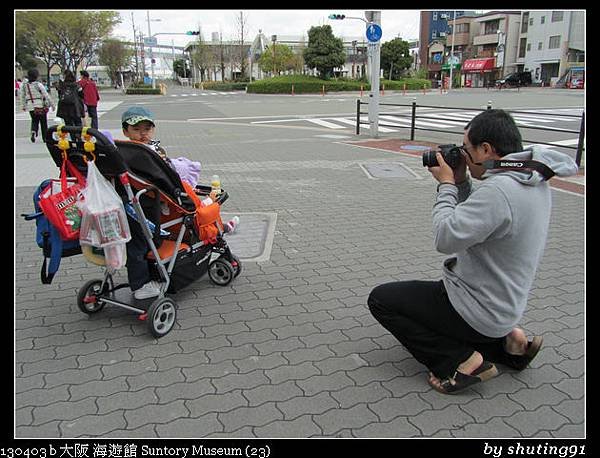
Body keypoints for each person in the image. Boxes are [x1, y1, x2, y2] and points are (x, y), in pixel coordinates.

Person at [367, 109, 579, 395]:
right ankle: (509, 346)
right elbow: (479, 222)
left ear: (486, 149)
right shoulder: (531, 179)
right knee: (431, 305)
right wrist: (464, 182)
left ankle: (459, 363)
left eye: (467, 149)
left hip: (478, 307)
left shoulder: (500, 191)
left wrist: (446, 185)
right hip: (505, 306)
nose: (463, 156)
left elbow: (446, 237)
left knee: (382, 300)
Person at [21, 69, 55, 143]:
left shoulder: (25, 85)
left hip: (30, 105)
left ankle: (33, 131)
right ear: (36, 76)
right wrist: (52, 104)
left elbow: (22, 96)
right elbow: (46, 94)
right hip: (39, 105)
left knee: (34, 120)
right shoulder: (38, 84)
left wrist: (23, 106)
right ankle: (45, 138)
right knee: (43, 122)